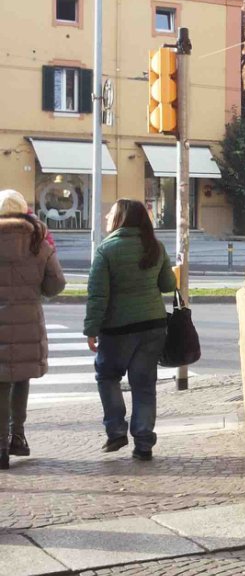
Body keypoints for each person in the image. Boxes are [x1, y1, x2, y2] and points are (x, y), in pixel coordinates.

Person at [84, 199, 176, 460]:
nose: (106, 218)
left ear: (120, 219)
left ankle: (116, 431)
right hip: (153, 326)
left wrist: (91, 329)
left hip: (117, 328)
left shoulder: (106, 250)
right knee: (144, 384)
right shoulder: (155, 247)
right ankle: (144, 442)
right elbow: (168, 284)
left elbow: (97, 295)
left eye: (110, 213)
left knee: (107, 376)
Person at [0, 189, 66, 469]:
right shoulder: (38, 241)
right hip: (27, 319)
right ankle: (18, 436)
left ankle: (0, 446)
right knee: (21, 378)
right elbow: (56, 283)